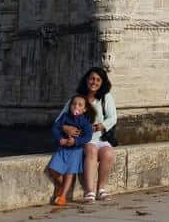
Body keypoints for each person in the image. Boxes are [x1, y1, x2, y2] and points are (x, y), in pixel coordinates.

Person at [74, 67, 118, 202]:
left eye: (98, 80)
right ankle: (89, 191)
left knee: (108, 153)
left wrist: (102, 125)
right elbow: (61, 119)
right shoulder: (78, 98)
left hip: (100, 137)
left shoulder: (106, 97)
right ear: (87, 80)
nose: (94, 82)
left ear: (102, 82)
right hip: (85, 139)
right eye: (92, 79)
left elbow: (113, 117)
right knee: (91, 150)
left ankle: (101, 189)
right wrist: (70, 129)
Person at [47, 95, 94, 205]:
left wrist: (76, 142)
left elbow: (88, 136)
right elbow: (55, 128)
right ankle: (62, 185)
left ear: (84, 109)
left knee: (69, 173)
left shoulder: (85, 122)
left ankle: (62, 196)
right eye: (74, 104)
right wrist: (60, 139)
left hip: (76, 150)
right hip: (63, 148)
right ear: (70, 106)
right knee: (52, 169)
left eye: (80, 105)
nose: (76, 106)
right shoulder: (64, 117)